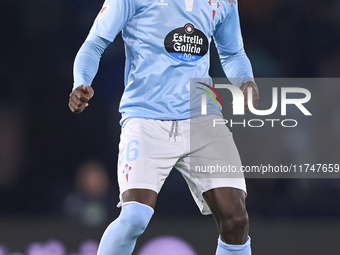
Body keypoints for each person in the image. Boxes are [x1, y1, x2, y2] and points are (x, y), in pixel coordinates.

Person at [68, 0, 259, 254]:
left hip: (202, 118)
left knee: (236, 220)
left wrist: (246, 81)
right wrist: (81, 82)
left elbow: (232, 53)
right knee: (134, 217)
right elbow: (95, 43)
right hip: (146, 119)